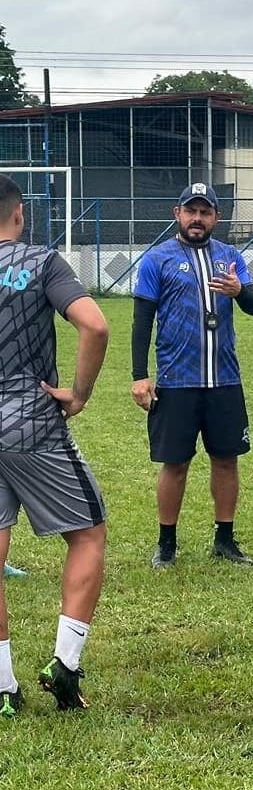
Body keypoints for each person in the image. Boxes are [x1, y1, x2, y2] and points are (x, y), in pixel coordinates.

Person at [0, 174, 109, 716]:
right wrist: (79, 393)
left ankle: (3, 690)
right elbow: (95, 326)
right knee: (88, 534)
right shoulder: (42, 260)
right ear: (18, 214)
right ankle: (64, 667)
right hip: (29, 422)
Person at [132, 183, 253, 568]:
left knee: (226, 460)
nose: (198, 219)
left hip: (224, 380)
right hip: (176, 381)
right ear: (178, 214)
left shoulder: (231, 257)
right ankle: (166, 544)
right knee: (175, 464)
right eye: (191, 211)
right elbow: (142, 324)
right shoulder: (157, 259)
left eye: (206, 212)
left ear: (216, 218)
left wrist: (240, 290)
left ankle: (224, 539)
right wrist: (140, 376)